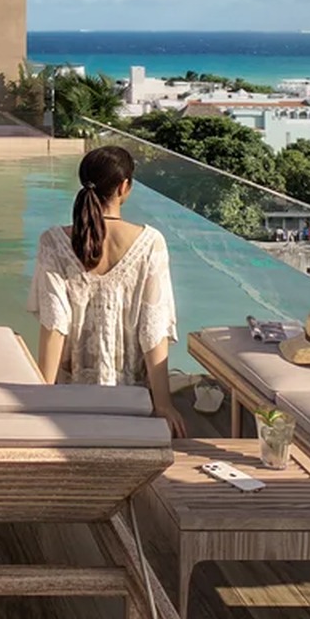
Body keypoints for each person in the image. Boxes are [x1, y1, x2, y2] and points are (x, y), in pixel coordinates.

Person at [27, 145, 186, 437]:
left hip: (71, 402)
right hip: (131, 401)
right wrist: (163, 404)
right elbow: (153, 328)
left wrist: (43, 399)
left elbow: (54, 324)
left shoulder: (52, 241)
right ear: (125, 186)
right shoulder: (150, 242)